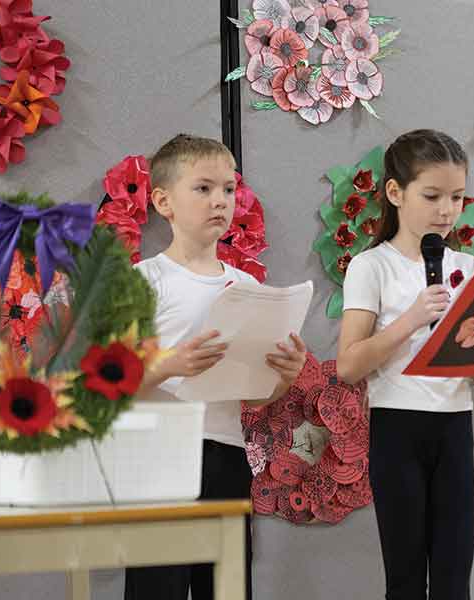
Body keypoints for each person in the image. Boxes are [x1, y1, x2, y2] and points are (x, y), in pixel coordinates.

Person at [337, 129, 474, 600]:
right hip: (396, 428)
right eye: (432, 196)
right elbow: (348, 366)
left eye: (456, 197)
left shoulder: (467, 269)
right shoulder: (372, 267)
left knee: (453, 579)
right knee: (405, 579)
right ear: (395, 193)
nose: (446, 210)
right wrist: (410, 319)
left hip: (453, 427)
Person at [124, 133, 307, 600]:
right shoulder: (143, 280)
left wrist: (284, 375)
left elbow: (252, 394)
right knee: (156, 588)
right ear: (163, 201)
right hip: (161, 457)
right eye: (203, 188)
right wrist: (171, 364)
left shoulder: (244, 284)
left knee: (226, 589)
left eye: (228, 189)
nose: (220, 201)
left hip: (226, 455)